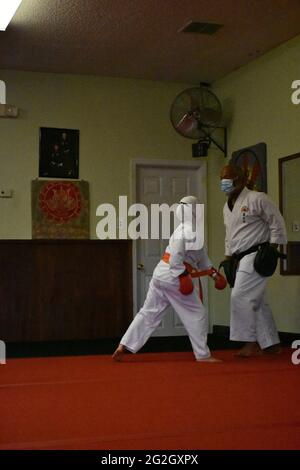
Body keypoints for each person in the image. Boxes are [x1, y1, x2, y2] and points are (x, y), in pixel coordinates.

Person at [113, 196, 227, 363]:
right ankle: (203, 355)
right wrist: (182, 276)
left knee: (148, 312)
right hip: (175, 276)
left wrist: (214, 275)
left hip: (160, 274)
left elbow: (201, 259)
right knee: (197, 313)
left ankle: (124, 345)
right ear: (195, 211)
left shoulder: (183, 228)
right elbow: (176, 257)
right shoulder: (190, 230)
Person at [220, 164, 287, 357]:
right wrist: (228, 258)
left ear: (240, 180)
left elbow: (277, 223)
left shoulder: (258, 198)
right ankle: (271, 343)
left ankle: (250, 342)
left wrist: (272, 250)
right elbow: (229, 234)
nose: (223, 183)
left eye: (228, 179)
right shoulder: (227, 206)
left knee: (240, 296)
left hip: (256, 254)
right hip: (238, 257)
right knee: (257, 300)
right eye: (222, 179)